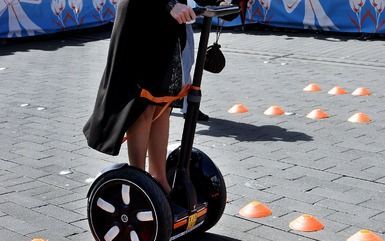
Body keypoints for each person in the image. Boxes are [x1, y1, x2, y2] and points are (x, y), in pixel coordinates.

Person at [83, 0, 197, 194]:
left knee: (163, 106)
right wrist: (169, 4)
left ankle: (159, 179)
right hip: (141, 19)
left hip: (167, 23)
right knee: (142, 105)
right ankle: (139, 182)